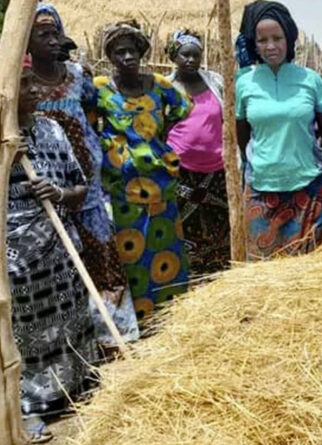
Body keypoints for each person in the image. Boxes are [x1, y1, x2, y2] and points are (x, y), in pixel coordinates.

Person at [27, 4, 140, 350]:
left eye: (54, 32)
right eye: (41, 34)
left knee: (103, 261)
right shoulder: (21, 84)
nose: (51, 39)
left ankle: (115, 340)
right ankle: (73, 346)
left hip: (87, 189)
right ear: (26, 42)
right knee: (58, 270)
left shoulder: (78, 75)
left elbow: (95, 117)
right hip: (43, 192)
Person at [11, 67, 96, 444]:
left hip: (61, 248)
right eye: (21, 83)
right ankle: (25, 408)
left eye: (31, 82)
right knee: (24, 334)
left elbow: (79, 186)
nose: (32, 89)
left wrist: (59, 194)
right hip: (16, 260)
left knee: (71, 320)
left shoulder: (51, 128)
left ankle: (73, 391)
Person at [94, 21, 192, 323]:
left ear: (142, 53)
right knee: (132, 254)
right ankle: (140, 320)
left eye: (133, 50)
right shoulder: (100, 89)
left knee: (166, 248)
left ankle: (171, 315)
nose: (127, 57)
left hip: (160, 183)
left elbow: (182, 109)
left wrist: (152, 143)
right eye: (120, 52)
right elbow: (88, 123)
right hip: (123, 187)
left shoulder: (160, 85)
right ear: (110, 57)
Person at [235, 1, 322, 259]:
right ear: (254, 43)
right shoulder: (244, 84)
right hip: (262, 192)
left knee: (311, 274)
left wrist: (313, 164)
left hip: (310, 191)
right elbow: (241, 135)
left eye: (277, 38)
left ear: (289, 39)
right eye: (262, 40)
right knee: (264, 275)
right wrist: (257, 164)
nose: (270, 46)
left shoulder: (310, 80)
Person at [165, 30, 230, 276]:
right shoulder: (166, 88)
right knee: (183, 222)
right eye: (185, 55)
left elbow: (228, 118)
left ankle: (217, 274)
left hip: (216, 170)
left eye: (196, 55)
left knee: (217, 223)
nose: (191, 60)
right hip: (181, 170)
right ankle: (188, 276)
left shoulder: (216, 83)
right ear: (174, 57)